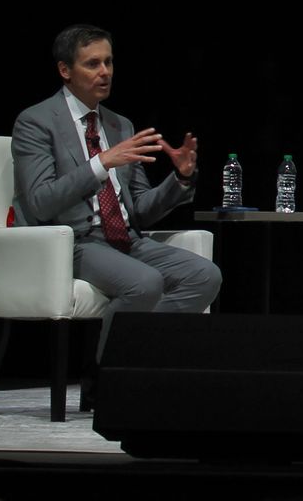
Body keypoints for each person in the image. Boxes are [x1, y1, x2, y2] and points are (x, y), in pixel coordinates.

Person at [12, 24, 222, 363]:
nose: (105, 72)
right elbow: (40, 202)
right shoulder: (36, 121)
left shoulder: (119, 125)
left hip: (125, 239)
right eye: (92, 64)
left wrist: (180, 178)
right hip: (74, 241)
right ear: (65, 70)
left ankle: (136, 357)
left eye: (109, 62)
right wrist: (100, 163)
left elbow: (139, 212)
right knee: (145, 282)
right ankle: (105, 376)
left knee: (204, 276)